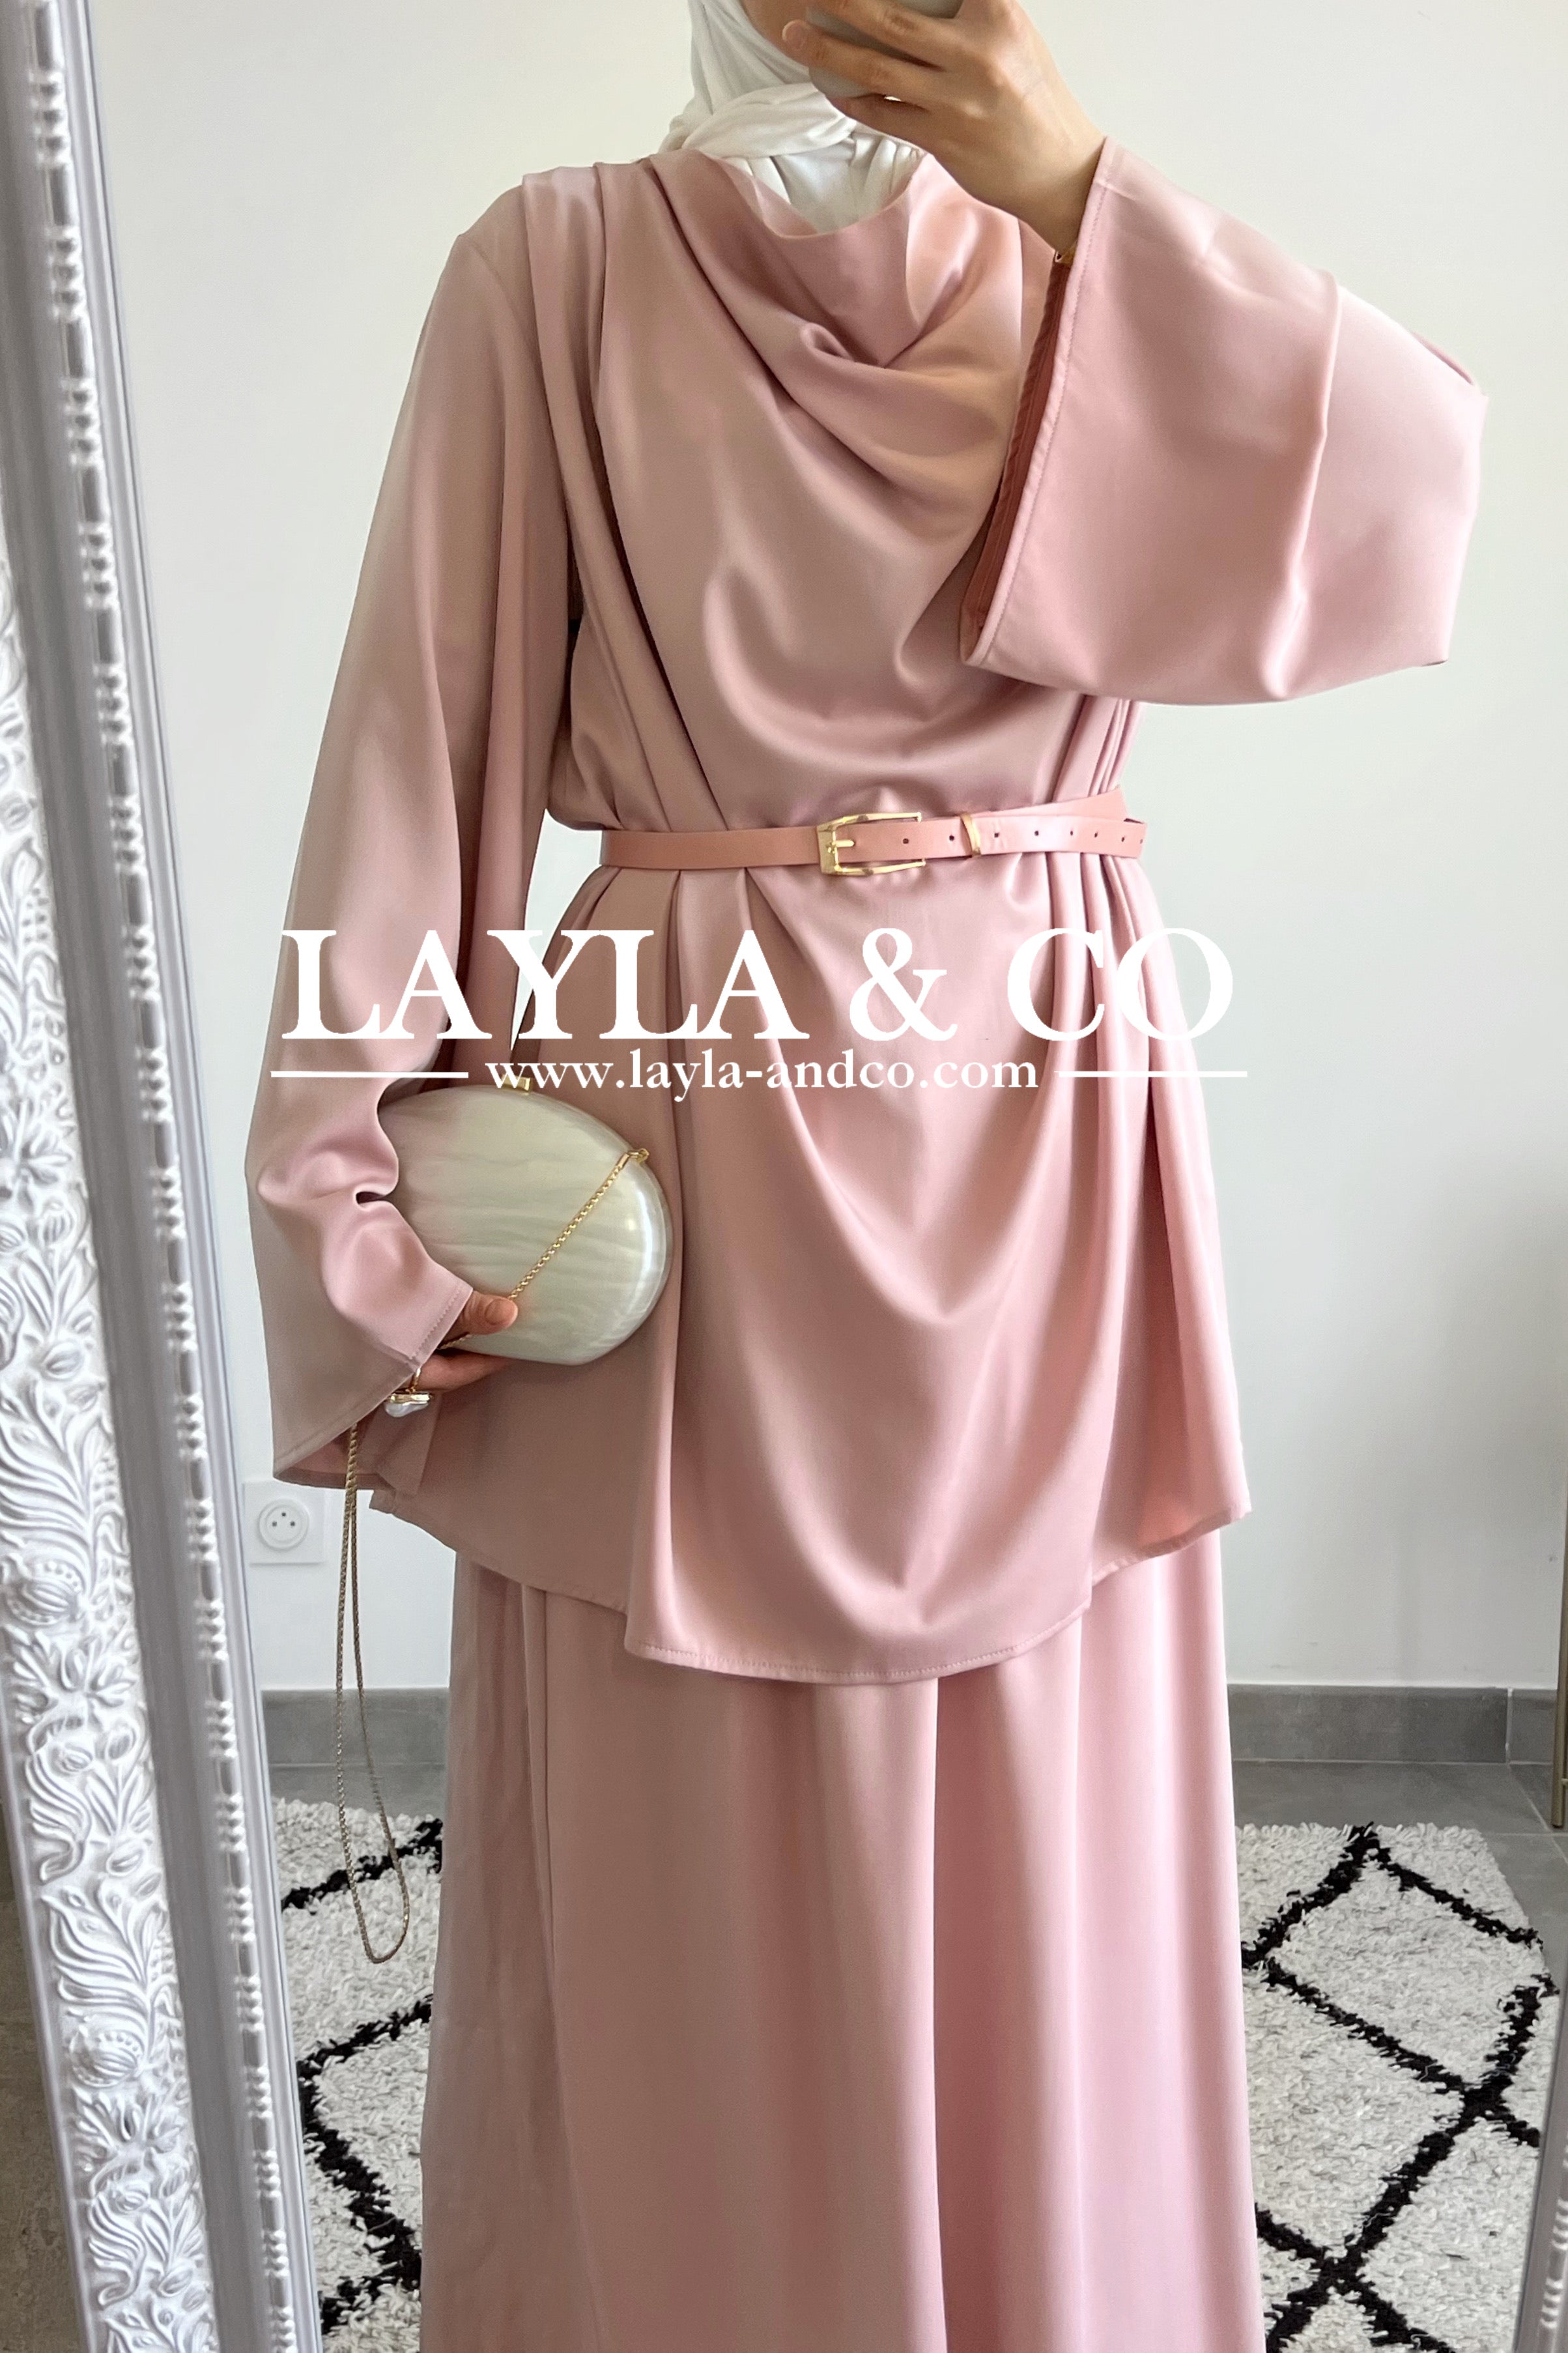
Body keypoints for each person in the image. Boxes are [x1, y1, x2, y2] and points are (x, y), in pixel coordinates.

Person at [243, 0, 1486, 2343]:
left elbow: (1416, 497)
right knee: (696, 1822)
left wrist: (1074, 175)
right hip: (690, 1147)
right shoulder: (554, 268)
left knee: (1035, 1809)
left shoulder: (1088, 266)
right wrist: (352, 1193)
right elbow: (420, 738)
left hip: (1034, 1117)